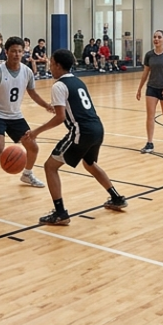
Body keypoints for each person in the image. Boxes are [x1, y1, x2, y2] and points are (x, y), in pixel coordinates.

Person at [27, 49, 129, 225]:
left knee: (50, 167)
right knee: (89, 163)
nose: (50, 67)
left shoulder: (59, 86)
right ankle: (116, 198)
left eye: (51, 63)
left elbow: (60, 118)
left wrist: (36, 132)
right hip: (97, 128)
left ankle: (60, 213)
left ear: (58, 66)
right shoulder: (78, 81)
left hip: (82, 132)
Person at [0, 36, 52, 204]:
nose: (17, 54)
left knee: (33, 147)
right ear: (6, 52)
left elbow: (33, 93)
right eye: (13, 51)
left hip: (15, 115)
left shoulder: (27, 71)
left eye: (20, 51)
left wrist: (46, 105)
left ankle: (27, 174)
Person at [136, 30, 163, 153]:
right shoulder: (149, 55)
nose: (156, 39)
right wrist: (139, 88)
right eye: (154, 37)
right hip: (152, 88)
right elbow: (145, 73)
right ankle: (149, 143)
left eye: (159, 37)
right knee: (150, 116)